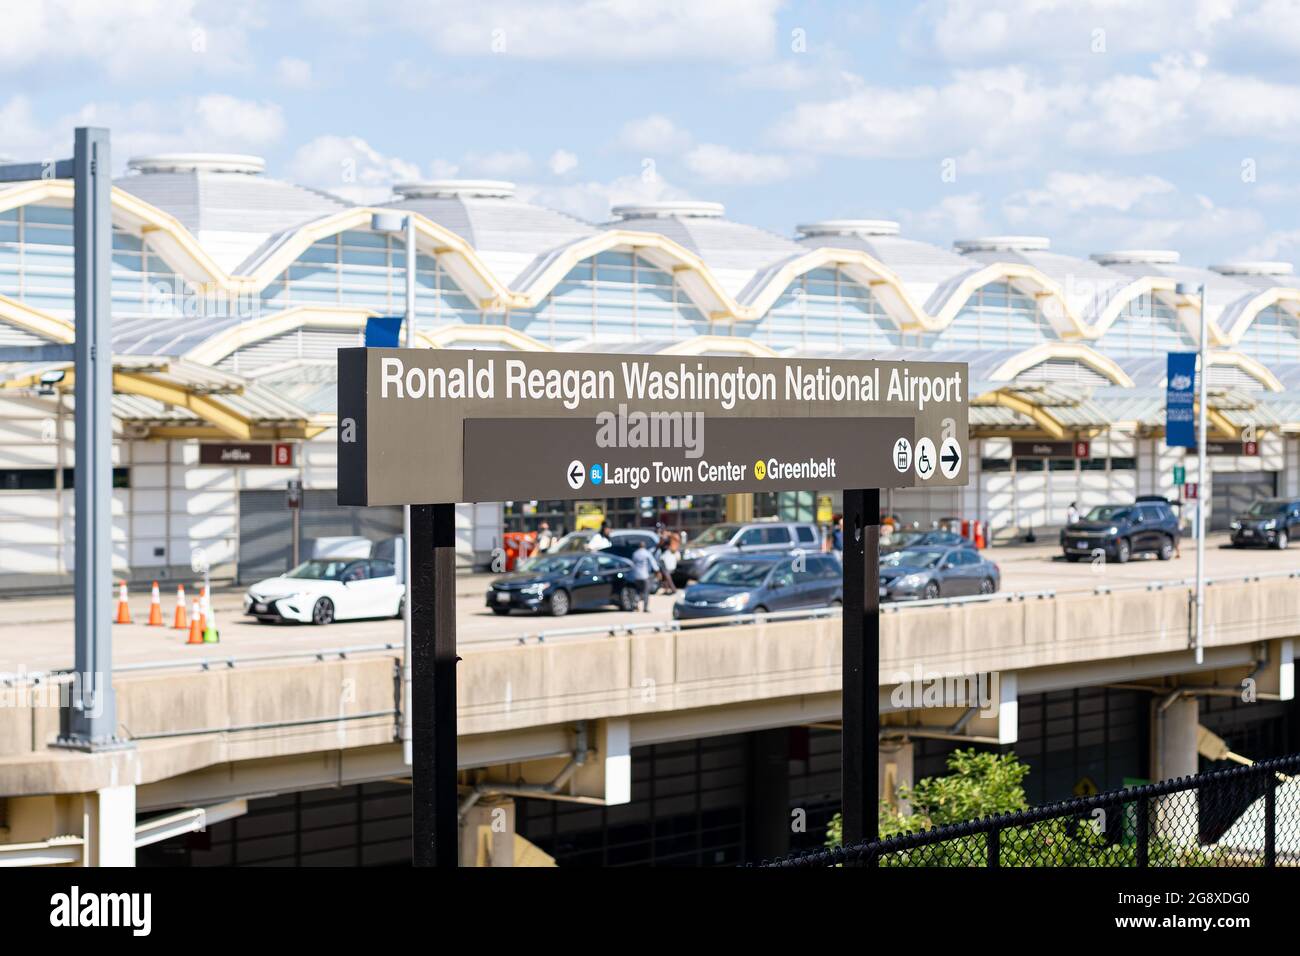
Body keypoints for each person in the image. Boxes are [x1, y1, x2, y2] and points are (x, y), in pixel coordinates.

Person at [629, 539, 660, 612]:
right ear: (644, 546)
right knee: (646, 592)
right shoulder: (647, 553)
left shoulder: (635, 553)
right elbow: (653, 563)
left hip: (636, 575)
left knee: (637, 591)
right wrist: (657, 571)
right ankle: (645, 608)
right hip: (644, 575)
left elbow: (633, 564)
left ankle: (635, 605)